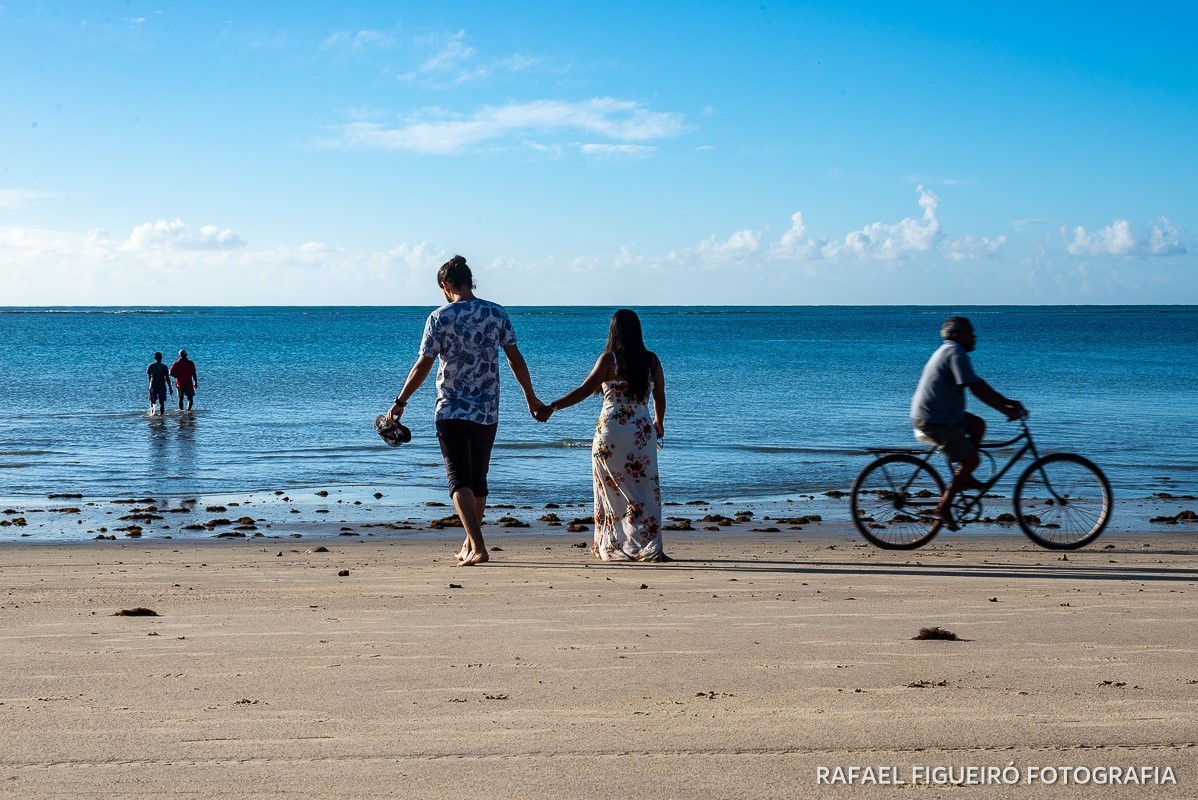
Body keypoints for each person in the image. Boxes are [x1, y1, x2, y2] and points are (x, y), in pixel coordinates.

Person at [385, 255, 543, 567]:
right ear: (469, 282)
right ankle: (470, 543)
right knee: (478, 479)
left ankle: (480, 545)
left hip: (451, 409)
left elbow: (424, 364)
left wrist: (400, 401)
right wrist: (530, 396)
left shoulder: (439, 317)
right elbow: (514, 357)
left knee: (459, 481)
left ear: (445, 285)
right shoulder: (496, 313)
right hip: (488, 409)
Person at [536, 309, 668, 562]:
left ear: (613, 331)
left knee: (610, 491)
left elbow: (584, 390)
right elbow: (659, 396)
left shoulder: (610, 360)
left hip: (611, 433)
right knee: (645, 491)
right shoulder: (651, 361)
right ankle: (650, 547)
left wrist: (552, 407)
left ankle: (613, 546)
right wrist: (658, 421)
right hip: (641, 432)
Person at [911, 316, 1025, 530]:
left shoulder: (950, 351)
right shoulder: (955, 352)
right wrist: (1004, 408)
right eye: (970, 333)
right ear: (957, 335)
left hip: (941, 414)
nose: (975, 338)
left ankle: (965, 476)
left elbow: (978, 384)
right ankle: (944, 506)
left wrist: (1007, 403)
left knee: (978, 425)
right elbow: (976, 388)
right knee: (971, 459)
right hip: (935, 419)